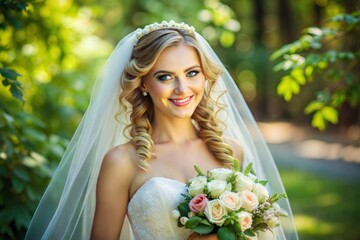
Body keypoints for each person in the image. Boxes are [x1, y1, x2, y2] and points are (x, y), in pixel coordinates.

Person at [25, 21, 298, 240]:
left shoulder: (230, 150)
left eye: (192, 73)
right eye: (164, 77)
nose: (182, 89)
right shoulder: (122, 162)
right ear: (143, 83)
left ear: (205, 76)